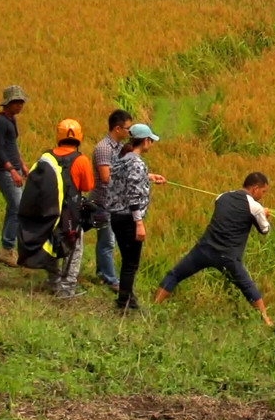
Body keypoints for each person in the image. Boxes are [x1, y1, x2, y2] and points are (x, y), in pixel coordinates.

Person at [154, 172, 274, 326]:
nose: (262, 196)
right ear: (255, 188)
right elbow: (264, 230)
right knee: (247, 286)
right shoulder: (255, 207)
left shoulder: (222, 196)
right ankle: (266, 320)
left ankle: (155, 307)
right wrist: (264, 215)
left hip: (204, 249)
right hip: (228, 256)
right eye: (263, 192)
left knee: (175, 274)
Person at [91, 110, 168, 293]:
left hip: (117, 206)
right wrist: (138, 221)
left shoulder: (121, 150)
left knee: (110, 244)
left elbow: (127, 174)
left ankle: (106, 276)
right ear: (117, 128)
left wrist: (147, 177)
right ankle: (112, 281)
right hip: (106, 203)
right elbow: (107, 178)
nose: (128, 131)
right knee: (109, 244)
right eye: (127, 128)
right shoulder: (105, 148)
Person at [17, 119, 95, 299]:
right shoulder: (81, 160)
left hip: (48, 211)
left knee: (50, 244)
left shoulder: (47, 157)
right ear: (79, 137)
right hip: (70, 213)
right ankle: (67, 289)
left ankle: (53, 281)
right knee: (74, 249)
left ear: (59, 135)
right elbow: (88, 185)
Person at [105, 123, 160, 312]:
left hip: (116, 217)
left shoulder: (121, 159)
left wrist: (149, 177)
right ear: (145, 141)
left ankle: (128, 298)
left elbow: (125, 181)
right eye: (150, 141)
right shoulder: (137, 163)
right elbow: (133, 194)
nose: (150, 144)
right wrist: (139, 223)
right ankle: (123, 304)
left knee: (127, 259)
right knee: (131, 263)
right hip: (129, 219)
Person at [0, 85, 30, 267]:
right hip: (5, 171)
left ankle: (7, 247)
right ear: (8, 103)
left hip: (13, 169)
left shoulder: (11, 120)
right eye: (17, 102)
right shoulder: (0, 122)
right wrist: (12, 170)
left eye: (21, 102)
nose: (20, 105)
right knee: (17, 207)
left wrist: (21, 164)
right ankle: (7, 249)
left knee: (14, 208)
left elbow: (12, 146)